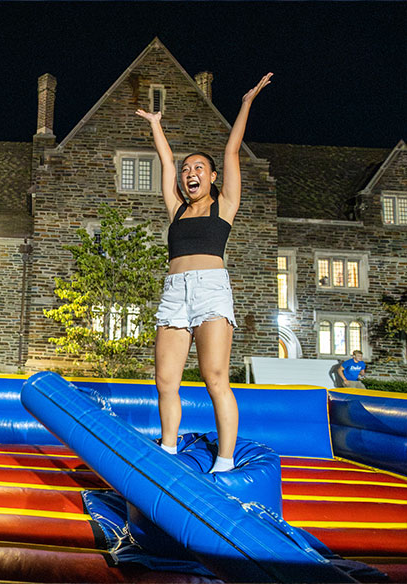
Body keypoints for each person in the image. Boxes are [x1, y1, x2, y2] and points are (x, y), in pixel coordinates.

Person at [136, 73, 273, 473]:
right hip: (174, 291)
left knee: (215, 377)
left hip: (211, 290)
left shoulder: (225, 204)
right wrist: (157, 127)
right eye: (186, 169)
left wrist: (247, 102)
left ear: (211, 177)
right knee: (165, 379)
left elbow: (232, 151)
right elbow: (165, 160)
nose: (189, 172)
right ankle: (168, 448)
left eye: (198, 168)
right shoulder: (176, 207)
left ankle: (225, 461)